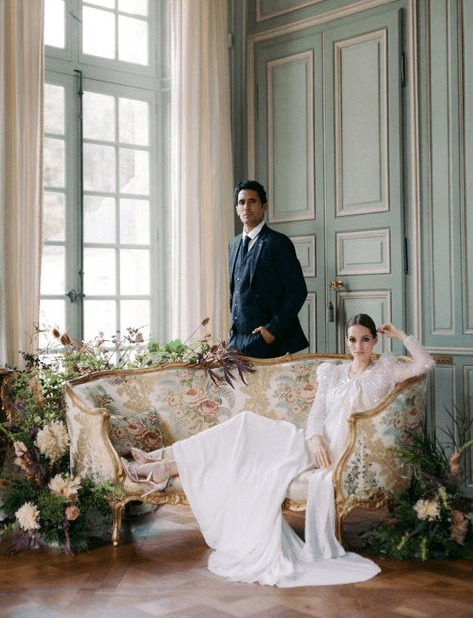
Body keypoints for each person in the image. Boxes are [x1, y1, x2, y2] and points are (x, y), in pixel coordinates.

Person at [122, 314, 435, 587]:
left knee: (241, 437)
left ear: (375, 340)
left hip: (339, 453)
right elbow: (317, 414)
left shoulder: (386, 370)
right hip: (309, 442)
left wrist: (403, 336)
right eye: (353, 340)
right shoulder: (333, 372)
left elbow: (425, 364)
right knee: (243, 425)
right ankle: (164, 460)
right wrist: (313, 437)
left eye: (365, 340)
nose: (359, 347)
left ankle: (162, 461)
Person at [227, 180, 309, 358]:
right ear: (236, 209)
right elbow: (235, 290)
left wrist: (272, 330)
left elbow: (297, 291)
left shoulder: (278, 243)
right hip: (237, 341)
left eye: (253, 201)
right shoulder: (233, 244)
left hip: (269, 340)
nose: (246, 207)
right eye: (242, 202)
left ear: (264, 206)